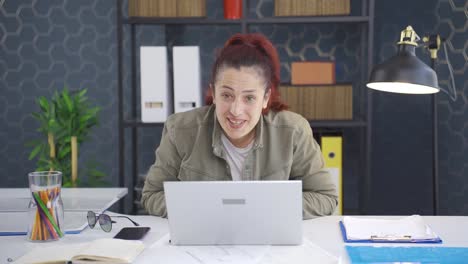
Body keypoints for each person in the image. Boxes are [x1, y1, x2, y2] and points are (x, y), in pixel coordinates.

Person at [141, 33, 338, 219]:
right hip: (202, 246)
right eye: (226, 95)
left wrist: (265, 209)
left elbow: (326, 197)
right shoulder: (180, 130)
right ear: (213, 92)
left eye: (249, 98)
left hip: (270, 245)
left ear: (265, 98)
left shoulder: (294, 131)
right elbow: (152, 195)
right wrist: (206, 209)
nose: (236, 110)